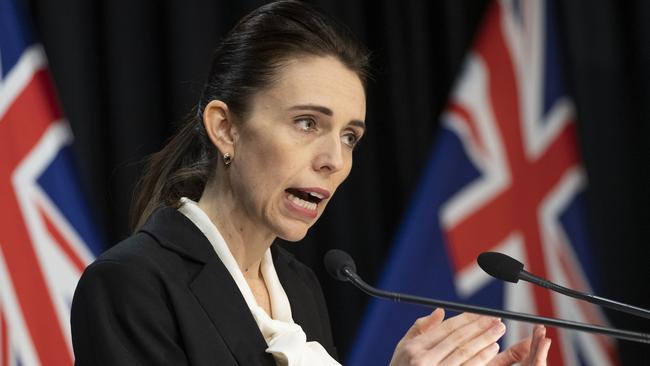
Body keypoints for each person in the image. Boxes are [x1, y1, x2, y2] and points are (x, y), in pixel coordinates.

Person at [70, 1, 551, 365]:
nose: (334, 160)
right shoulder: (130, 285)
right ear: (225, 128)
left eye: (349, 136)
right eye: (306, 123)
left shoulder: (300, 286)